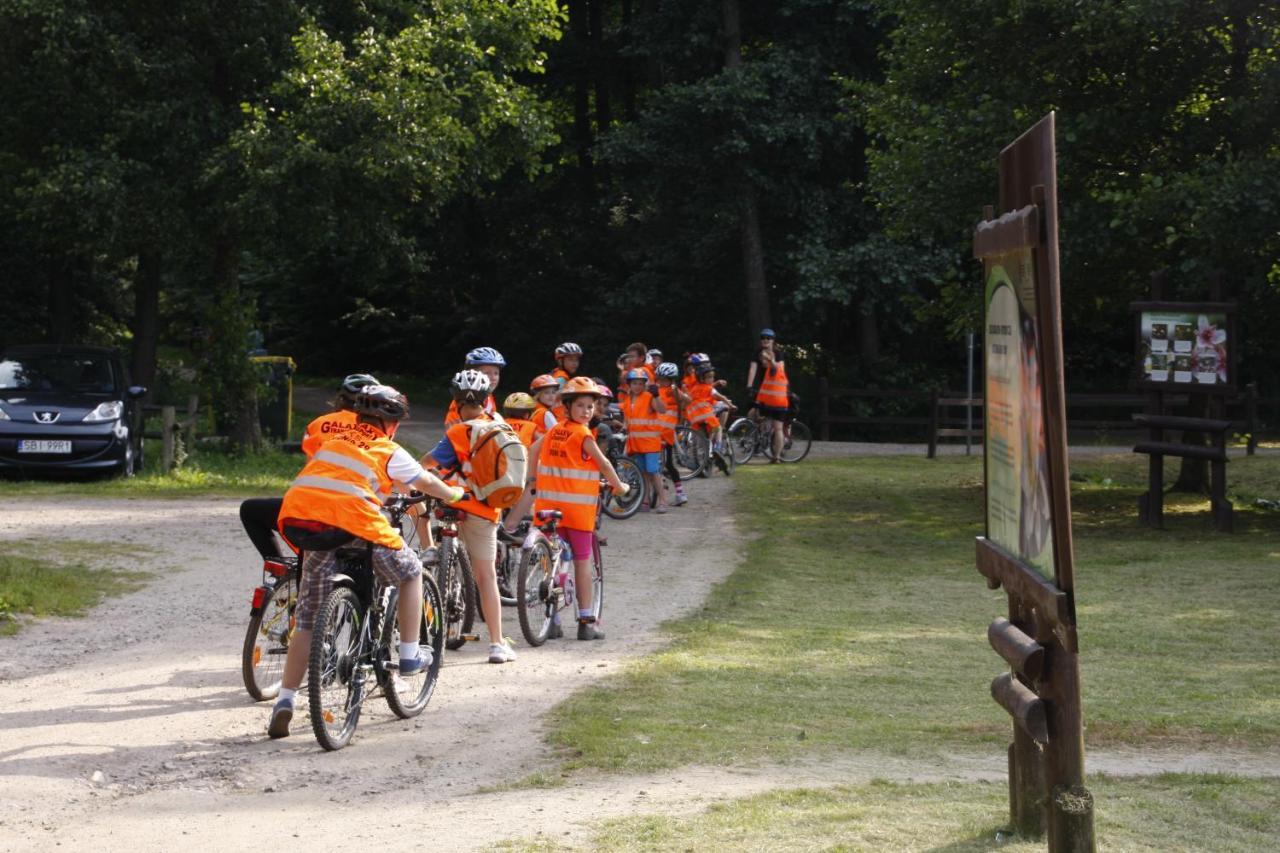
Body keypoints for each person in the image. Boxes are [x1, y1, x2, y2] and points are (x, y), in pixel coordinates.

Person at [266, 384, 465, 738]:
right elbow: (425, 481)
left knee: (309, 617)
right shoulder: (386, 448)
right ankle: (408, 655)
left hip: (304, 521)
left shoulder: (333, 442)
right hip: (351, 522)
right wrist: (455, 494)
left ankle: (285, 699)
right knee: (411, 571)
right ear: (391, 424)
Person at [425, 370, 519, 664]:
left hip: (453, 504)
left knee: (443, 562)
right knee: (486, 575)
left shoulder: (456, 432)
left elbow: (427, 463)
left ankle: (432, 640)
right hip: (485, 510)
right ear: (487, 399)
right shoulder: (502, 427)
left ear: (456, 401)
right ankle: (497, 644)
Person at [239, 372, 378, 561]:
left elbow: (312, 469)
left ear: (340, 399)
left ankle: (277, 566)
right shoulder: (376, 431)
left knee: (250, 510)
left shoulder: (318, 425)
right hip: (352, 511)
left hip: (310, 508)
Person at [533, 377, 629, 640]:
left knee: (554, 563)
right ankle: (587, 621)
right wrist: (619, 486)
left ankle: (552, 620)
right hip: (577, 513)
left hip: (549, 508)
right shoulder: (584, 434)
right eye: (581, 406)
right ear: (567, 407)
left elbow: (532, 451)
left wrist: (533, 480)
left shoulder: (554, 431)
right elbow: (604, 464)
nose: (586, 411)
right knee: (582, 563)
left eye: (590, 406)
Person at [619, 368, 668, 512]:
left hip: (650, 443)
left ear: (644, 384)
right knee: (643, 473)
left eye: (641, 383)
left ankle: (663, 500)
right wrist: (623, 427)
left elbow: (662, 410)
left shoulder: (649, 397)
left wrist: (657, 395)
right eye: (635, 383)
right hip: (636, 443)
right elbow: (628, 420)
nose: (638, 386)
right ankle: (645, 500)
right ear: (629, 384)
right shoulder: (628, 400)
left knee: (653, 471)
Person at [688, 362, 732, 474]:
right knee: (718, 429)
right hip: (707, 416)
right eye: (709, 377)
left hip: (695, 418)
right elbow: (720, 397)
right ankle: (717, 447)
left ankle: (702, 461)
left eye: (712, 377)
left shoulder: (694, 388)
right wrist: (731, 405)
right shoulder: (709, 388)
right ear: (702, 378)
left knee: (701, 440)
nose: (712, 379)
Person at [654, 362, 689, 506]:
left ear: (672, 380)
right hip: (656, 432)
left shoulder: (672, 390)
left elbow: (688, 400)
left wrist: (678, 395)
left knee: (668, 463)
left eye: (665, 380)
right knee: (661, 463)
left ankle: (680, 493)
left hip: (666, 433)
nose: (661, 382)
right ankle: (665, 489)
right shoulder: (657, 390)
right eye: (660, 379)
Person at [445, 347, 505, 425]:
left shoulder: (488, 397)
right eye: (487, 373)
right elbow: (452, 429)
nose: (493, 377)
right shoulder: (465, 399)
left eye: (496, 373)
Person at [754, 346, 791, 463]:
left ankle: (777, 456)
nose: (762, 362)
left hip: (778, 404)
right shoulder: (768, 371)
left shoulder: (776, 367)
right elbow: (764, 389)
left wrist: (770, 359)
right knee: (760, 419)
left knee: (778, 428)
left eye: (763, 360)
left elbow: (775, 364)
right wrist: (758, 402)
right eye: (761, 360)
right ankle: (767, 446)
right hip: (771, 404)